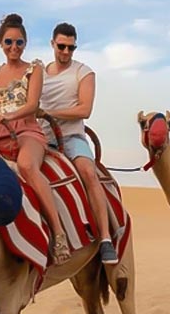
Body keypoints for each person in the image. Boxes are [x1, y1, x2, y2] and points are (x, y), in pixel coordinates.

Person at [0, 13, 71, 265]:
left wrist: (9, 115)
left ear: (25, 44)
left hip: (27, 132)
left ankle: (58, 233)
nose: (14, 48)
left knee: (27, 166)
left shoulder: (33, 69)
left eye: (19, 42)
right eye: (9, 42)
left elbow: (33, 105)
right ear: (1, 44)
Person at [38, 22, 118, 265]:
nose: (65, 52)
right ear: (52, 43)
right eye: (61, 46)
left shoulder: (83, 72)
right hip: (39, 137)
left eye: (71, 48)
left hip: (71, 138)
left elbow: (85, 109)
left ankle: (105, 238)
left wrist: (48, 113)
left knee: (88, 172)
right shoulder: (38, 72)